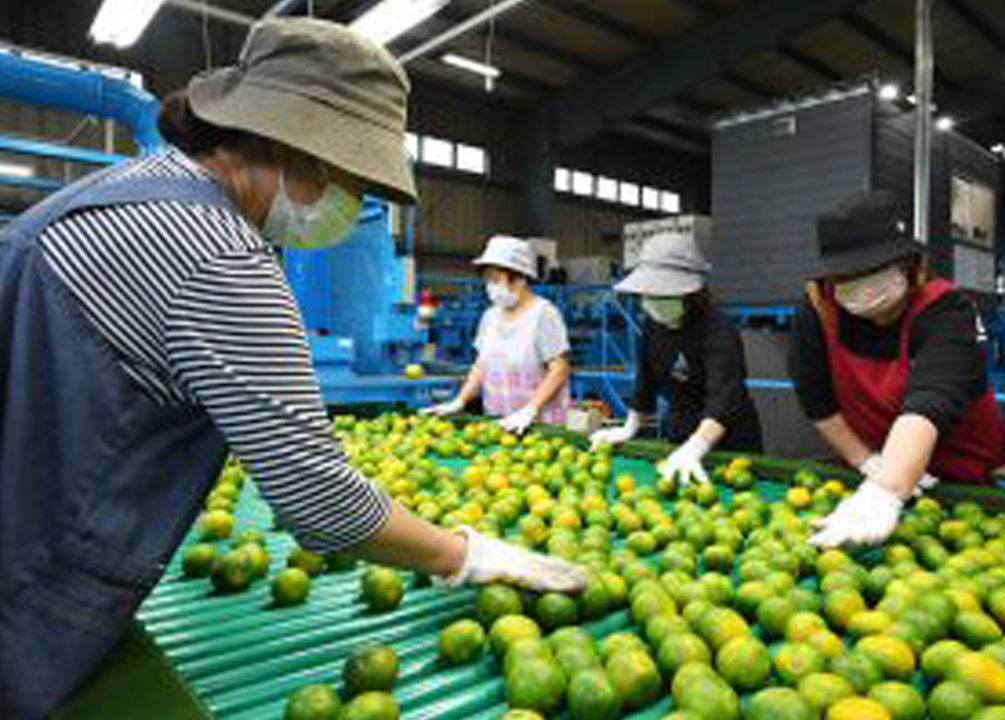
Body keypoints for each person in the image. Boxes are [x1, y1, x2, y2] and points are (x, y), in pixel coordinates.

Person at [0, 19, 585, 718]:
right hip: (28, 584)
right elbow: (320, 505)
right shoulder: (221, 257)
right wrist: (469, 555)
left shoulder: (122, 189)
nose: (353, 204)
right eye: (348, 178)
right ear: (286, 144)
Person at [788, 191, 1005, 549]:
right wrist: (867, 463)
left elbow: (930, 399)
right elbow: (818, 403)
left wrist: (885, 492)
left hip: (965, 476)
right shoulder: (818, 309)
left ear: (910, 265)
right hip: (881, 464)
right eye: (847, 275)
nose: (861, 285)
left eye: (875, 269)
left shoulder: (947, 310)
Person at [590, 232, 763, 485]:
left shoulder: (718, 329)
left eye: (662, 295)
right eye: (648, 295)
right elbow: (645, 381)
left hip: (729, 441)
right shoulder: (653, 325)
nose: (652, 302)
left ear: (690, 294)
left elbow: (724, 398)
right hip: (680, 432)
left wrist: (697, 447)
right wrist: (629, 427)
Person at [422, 235, 572, 435]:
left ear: (520, 279)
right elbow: (480, 365)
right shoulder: (490, 316)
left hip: (540, 425)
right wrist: (460, 400)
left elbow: (559, 369)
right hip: (499, 422)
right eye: (487, 280)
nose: (490, 287)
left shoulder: (543, 314)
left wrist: (530, 409)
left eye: (495, 280)